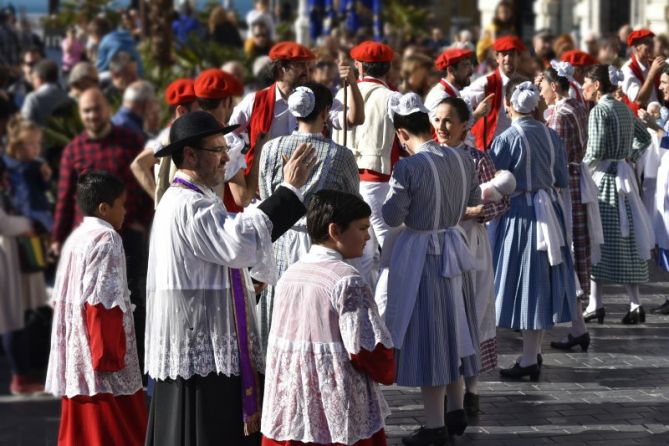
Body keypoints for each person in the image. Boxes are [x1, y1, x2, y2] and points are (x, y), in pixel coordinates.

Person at [144, 111, 317, 445]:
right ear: (190, 154)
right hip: (202, 342)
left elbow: (218, 253)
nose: (226, 158)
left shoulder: (187, 199)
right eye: (217, 150)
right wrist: (289, 190)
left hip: (198, 332)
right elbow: (238, 242)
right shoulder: (189, 204)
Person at [382, 93, 481, 445]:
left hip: (425, 254)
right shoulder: (463, 159)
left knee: (432, 336)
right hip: (455, 247)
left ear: (402, 134)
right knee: (456, 330)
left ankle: (436, 424)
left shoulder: (409, 167)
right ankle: (455, 409)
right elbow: (472, 200)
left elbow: (392, 216)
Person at [261, 189, 394, 446]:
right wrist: (387, 366)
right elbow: (366, 349)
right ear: (335, 231)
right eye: (362, 228)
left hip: (292, 404)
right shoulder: (347, 280)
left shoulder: (290, 274)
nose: (368, 237)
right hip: (335, 405)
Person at [51, 88, 153, 366]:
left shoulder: (130, 142)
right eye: (86, 110)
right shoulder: (74, 149)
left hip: (127, 236)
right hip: (90, 245)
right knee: (93, 305)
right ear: (81, 115)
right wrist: (58, 238)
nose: (92, 115)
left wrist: (141, 222)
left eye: (96, 109)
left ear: (108, 109)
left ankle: (137, 362)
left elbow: (143, 186)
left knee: (133, 300)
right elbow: (64, 197)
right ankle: (95, 358)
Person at [45, 170, 146, 446]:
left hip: (77, 354)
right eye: (121, 205)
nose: (125, 212)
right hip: (101, 359)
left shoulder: (76, 238)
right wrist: (111, 357)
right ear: (104, 208)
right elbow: (102, 303)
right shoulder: (107, 238)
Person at [257, 83, 360, 352]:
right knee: (313, 317)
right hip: (318, 246)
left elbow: (266, 195)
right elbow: (351, 202)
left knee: (279, 313)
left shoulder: (270, 149)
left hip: (277, 240)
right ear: (325, 112)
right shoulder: (340, 155)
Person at [489, 79, 577, 380]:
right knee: (541, 280)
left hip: (522, 214)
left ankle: (529, 358)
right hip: (549, 210)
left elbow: (493, 180)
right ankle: (532, 352)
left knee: (526, 281)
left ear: (509, 105)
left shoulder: (507, 138)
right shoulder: (551, 136)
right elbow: (562, 180)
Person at [432, 96, 511, 416]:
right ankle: (448, 388)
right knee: (445, 315)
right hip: (437, 246)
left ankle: (472, 389)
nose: (441, 127)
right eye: (437, 120)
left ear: (466, 125)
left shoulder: (478, 159)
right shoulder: (429, 158)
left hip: (470, 243)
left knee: (475, 311)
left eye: (449, 120)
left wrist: (478, 210)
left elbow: (501, 202)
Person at [230, 41, 363, 203]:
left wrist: (352, 84)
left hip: (310, 191)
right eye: (300, 66)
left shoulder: (317, 98)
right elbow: (229, 138)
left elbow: (353, 119)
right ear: (281, 69)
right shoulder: (254, 101)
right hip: (266, 193)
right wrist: (245, 176)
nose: (307, 72)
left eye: (308, 66)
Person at [581, 64, 653, 324]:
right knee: (627, 239)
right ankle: (631, 303)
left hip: (605, 178)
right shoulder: (623, 107)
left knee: (597, 238)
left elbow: (596, 149)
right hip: (624, 176)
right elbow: (644, 137)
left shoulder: (600, 110)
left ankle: (596, 303)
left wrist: (581, 170)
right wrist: (627, 158)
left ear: (598, 85)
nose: (583, 87)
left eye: (587, 81)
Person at [539, 64, 604, 352]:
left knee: (567, 248)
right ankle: (578, 325)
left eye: (543, 85)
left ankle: (574, 324)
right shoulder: (577, 106)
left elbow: (556, 159)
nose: (540, 90)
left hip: (565, 188)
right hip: (577, 181)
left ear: (555, 86)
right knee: (573, 249)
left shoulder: (559, 115)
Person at [332, 40, 396, 288]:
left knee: (359, 251)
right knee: (388, 248)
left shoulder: (340, 94)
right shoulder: (393, 97)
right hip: (377, 182)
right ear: (387, 67)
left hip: (346, 181)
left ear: (359, 66)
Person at [0, 155, 44, 395]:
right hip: (4, 260)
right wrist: (27, 223)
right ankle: (19, 378)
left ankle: (22, 376)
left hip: (9, 259)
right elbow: (4, 223)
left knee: (12, 318)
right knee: (10, 320)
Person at [130, 78, 200, 202]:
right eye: (199, 108)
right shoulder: (166, 137)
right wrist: (160, 200)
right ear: (182, 111)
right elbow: (138, 165)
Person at [462, 35, 526, 150]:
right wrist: (476, 113)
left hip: (517, 146)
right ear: (497, 58)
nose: (508, 58)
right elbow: (459, 103)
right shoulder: (486, 83)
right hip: (491, 147)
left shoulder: (524, 83)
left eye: (512, 54)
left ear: (518, 57)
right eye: (504, 54)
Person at [424, 47, 494, 121]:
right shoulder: (441, 97)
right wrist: (477, 114)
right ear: (451, 70)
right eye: (466, 65)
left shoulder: (453, 92)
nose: (471, 70)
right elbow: (442, 130)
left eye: (470, 64)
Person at [20, 59, 72, 128]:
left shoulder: (33, 98)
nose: (32, 83)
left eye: (33, 79)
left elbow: (25, 124)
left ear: (39, 78)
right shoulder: (67, 97)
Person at [622, 29, 664, 110]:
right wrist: (652, 72)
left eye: (652, 43)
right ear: (637, 47)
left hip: (658, 116)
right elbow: (639, 100)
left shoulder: (652, 64)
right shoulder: (627, 69)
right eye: (647, 43)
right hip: (638, 120)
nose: (652, 46)